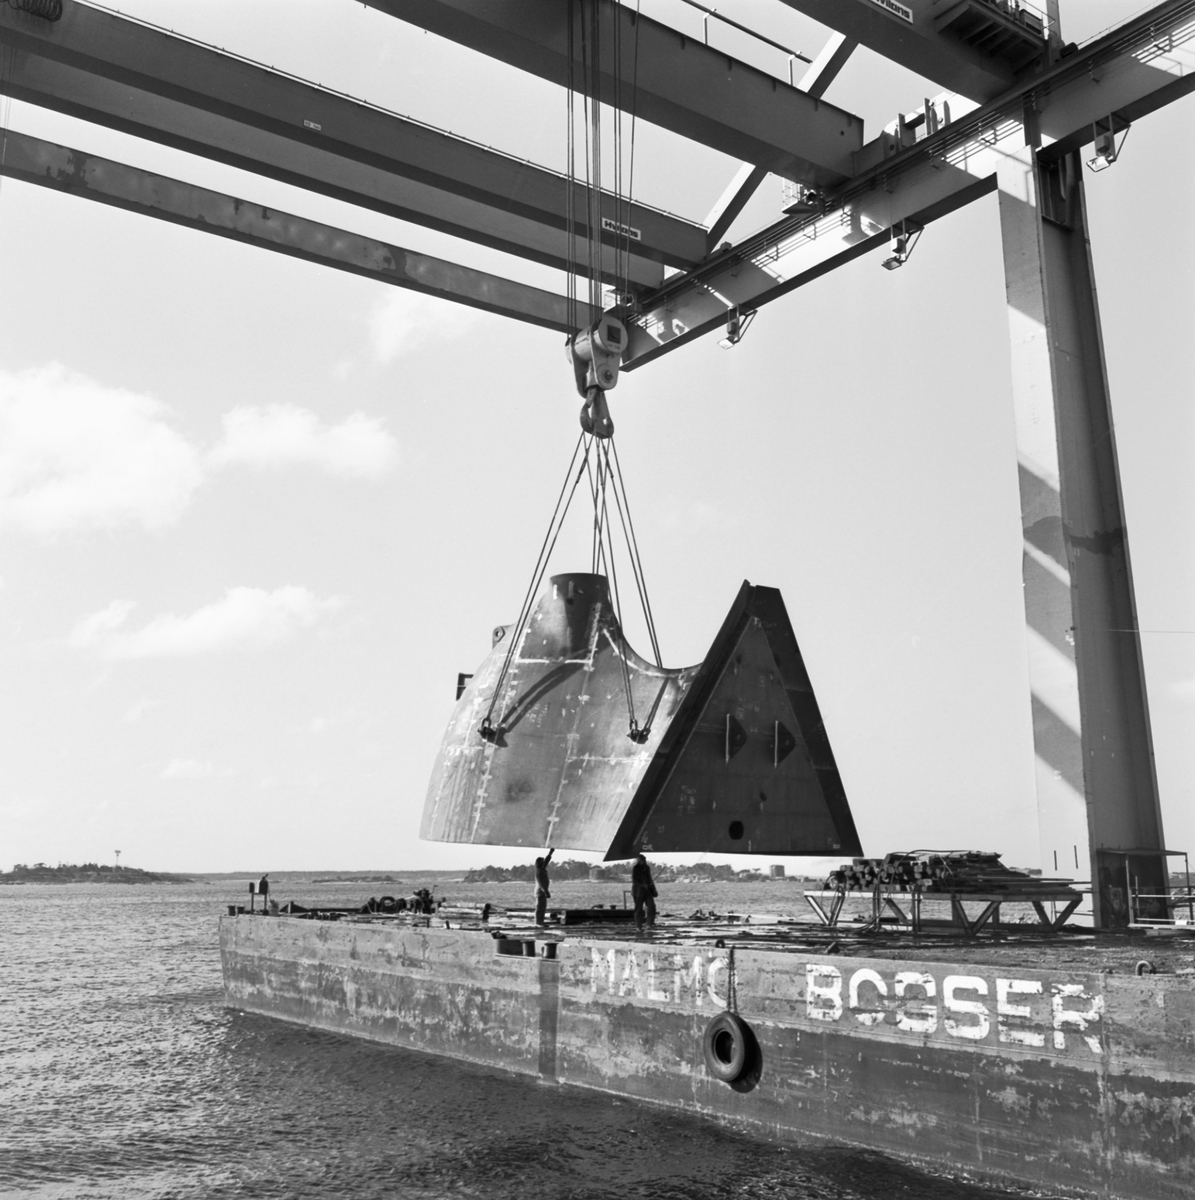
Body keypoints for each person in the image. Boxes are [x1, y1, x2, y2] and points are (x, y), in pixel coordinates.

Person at [631, 854, 657, 930]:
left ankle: (649, 924)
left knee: (651, 906)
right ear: (639, 861)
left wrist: (654, 890)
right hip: (638, 892)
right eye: (643, 860)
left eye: (645, 860)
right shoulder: (635, 868)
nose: (644, 861)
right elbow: (634, 881)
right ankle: (638, 926)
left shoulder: (647, 868)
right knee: (638, 909)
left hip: (648, 891)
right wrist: (642, 885)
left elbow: (650, 879)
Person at [534, 848, 554, 926]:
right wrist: (546, 892)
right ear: (540, 863)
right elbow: (541, 883)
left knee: (542, 907)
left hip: (542, 892)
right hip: (540, 892)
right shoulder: (539, 872)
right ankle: (538, 922)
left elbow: (546, 861)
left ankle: (541, 921)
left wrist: (550, 853)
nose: (544, 863)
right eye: (542, 862)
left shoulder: (541, 868)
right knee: (539, 908)